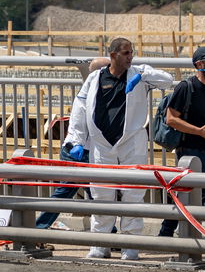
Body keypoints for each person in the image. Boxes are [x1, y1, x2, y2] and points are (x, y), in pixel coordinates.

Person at [63, 39, 174, 259]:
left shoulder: (139, 74)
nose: (130, 57)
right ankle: (100, 243)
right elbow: (80, 108)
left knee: (133, 194)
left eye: (131, 53)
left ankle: (130, 245)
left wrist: (142, 76)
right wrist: (75, 140)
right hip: (101, 145)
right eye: (125, 53)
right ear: (113, 55)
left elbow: (168, 80)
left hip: (132, 143)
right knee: (101, 194)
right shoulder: (95, 78)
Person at [158, 46, 205, 241]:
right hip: (189, 150)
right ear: (199, 64)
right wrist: (199, 132)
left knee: (182, 194)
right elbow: (171, 119)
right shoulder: (186, 87)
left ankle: (164, 235)